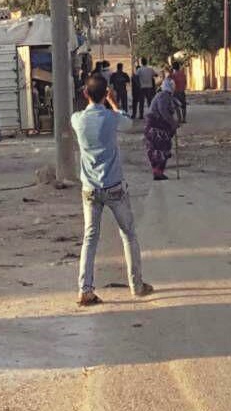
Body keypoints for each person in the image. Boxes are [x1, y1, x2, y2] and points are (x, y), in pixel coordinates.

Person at [71, 75, 154, 306]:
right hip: (114, 186)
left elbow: (78, 115)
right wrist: (114, 102)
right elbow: (128, 123)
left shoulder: (77, 119)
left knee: (90, 238)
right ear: (106, 94)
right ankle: (136, 285)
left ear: (85, 94)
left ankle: (85, 290)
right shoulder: (111, 117)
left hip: (90, 188)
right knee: (128, 234)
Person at [144, 76, 179, 181]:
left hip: (156, 126)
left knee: (158, 149)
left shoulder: (166, 96)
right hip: (156, 127)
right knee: (160, 148)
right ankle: (158, 172)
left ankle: (158, 172)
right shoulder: (163, 96)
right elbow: (163, 111)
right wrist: (172, 123)